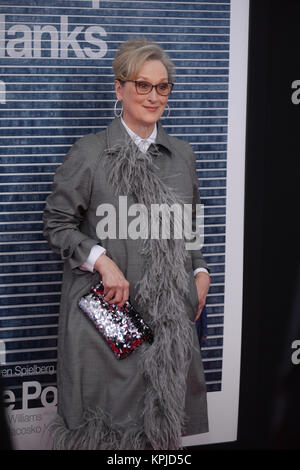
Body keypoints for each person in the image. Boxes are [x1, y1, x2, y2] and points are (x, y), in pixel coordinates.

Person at [43, 37, 211, 450]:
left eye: (162, 86)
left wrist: (200, 270)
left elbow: (190, 226)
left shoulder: (182, 155)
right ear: (119, 88)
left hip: (167, 328)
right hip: (107, 329)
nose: (153, 96)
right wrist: (100, 260)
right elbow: (56, 223)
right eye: (142, 85)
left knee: (159, 440)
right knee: (108, 438)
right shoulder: (89, 154)